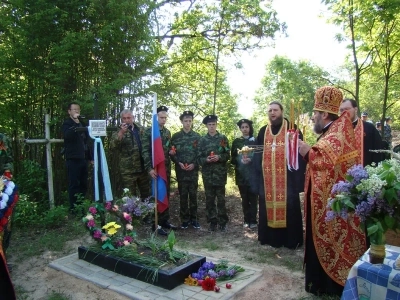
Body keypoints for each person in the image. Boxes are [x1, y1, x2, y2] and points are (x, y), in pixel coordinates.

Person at [298, 86, 367, 297]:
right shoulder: (336, 129)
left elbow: (323, 161)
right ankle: (319, 284)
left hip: (333, 202)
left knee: (330, 240)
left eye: (315, 114)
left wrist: (307, 151)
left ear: (324, 114)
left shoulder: (336, 131)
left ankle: (327, 286)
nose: (313, 118)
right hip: (328, 198)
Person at [253, 102, 305, 249]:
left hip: (287, 180)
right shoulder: (263, 131)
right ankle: (270, 239)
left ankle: (290, 241)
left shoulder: (292, 129)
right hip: (268, 179)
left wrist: (297, 181)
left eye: (275, 110)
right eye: (269, 110)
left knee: (290, 208)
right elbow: (258, 155)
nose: (272, 113)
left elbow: (299, 155)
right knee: (267, 208)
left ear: (282, 111)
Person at [142, 106, 177, 236]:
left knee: (165, 193)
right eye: (161, 117)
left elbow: (166, 150)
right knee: (155, 195)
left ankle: (164, 220)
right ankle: (154, 223)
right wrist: (149, 168)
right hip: (154, 169)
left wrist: (171, 152)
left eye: (165, 118)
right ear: (156, 117)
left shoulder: (167, 132)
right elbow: (145, 151)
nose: (163, 120)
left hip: (165, 169)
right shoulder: (149, 132)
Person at [197, 115, 230, 232]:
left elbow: (227, 155)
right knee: (210, 199)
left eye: (213, 124)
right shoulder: (202, 140)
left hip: (220, 175)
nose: (212, 126)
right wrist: (206, 160)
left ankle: (223, 222)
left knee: (221, 199)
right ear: (206, 126)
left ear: (216, 124)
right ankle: (212, 221)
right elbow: (198, 157)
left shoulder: (223, 139)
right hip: (208, 175)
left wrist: (219, 157)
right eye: (209, 124)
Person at [170, 111, 201, 229]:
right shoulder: (176, 137)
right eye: (185, 121)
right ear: (182, 122)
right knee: (183, 195)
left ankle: (194, 219)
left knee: (193, 195)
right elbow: (172, 153)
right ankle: (184, 220)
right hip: (181, 171)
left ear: (192, 121)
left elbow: (200, 153)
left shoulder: (197, 137)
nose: (188, 123)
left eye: (190, 121)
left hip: (193, 171)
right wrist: (179, 163)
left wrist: (194, 164)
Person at [111, 109, 150, 199]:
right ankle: (132, 213)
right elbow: (113, 146)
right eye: (124, 118)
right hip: (128, 171)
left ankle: (146, 213)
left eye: (129, 118)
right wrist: (121, 133)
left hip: (142, 168)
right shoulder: (118, 130)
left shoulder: (141, 129)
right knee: (130, 197)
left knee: (146, 196)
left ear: (133, 118)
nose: (127, 120)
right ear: (121, 119)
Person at [62, 102, 93, 211]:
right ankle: (74, 208)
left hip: (83, 158)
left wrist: (90, 157)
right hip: (73, 158)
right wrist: (75, 123)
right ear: (69, 111)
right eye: (74, 109)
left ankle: (81, 205)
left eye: (78, 109)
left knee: (83, 183)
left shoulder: (83, 123)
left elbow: (87, 141)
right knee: (74, 183)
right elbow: (67, 136)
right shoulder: (67, 124)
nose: (76, 111)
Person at [231, 119, 258, 229]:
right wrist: (240, 161)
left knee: (253, 199)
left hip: (253, 175)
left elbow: (260, 157)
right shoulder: (236, 142)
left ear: (250, 128)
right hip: (241, 175)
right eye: (242, 127)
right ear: (240, 129)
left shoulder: (255, 140)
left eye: (246, 127)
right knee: (245, 199)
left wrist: (251, 160)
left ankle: (253, 220)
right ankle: (246, 220)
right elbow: (232, 158)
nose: (245, 129)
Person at [339, 99, 384, 166]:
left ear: (356, 109)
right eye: (341, 110)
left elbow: (378, 151)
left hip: (367, 172)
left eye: (347, 109)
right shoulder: (337, 130)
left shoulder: (369, 128)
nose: (344, 112)